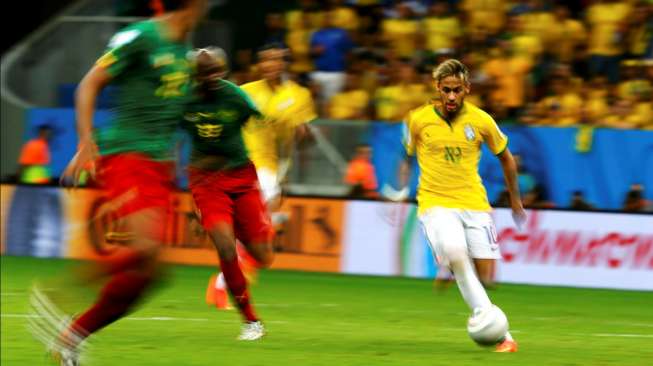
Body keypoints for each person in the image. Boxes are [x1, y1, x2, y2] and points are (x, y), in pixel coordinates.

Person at [29, 1, 208, 364]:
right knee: (145, 250)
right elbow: (88, 85)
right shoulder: (141, 36)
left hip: (158, 166)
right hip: (127, 154)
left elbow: (172, 113)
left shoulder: (183, 53)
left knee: (150, 273)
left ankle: (70, 338)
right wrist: (85, 142)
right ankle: (58, 294)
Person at [399, 59, 524, 352]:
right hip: (435, 202)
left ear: (467, 88)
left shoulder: (481, 120)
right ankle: (502, 335)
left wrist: (515, 199)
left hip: (474, 203)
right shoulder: (418, 119)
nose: (452, 96)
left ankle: (455, 268)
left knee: (488, 277)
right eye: (446, 90)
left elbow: (506, 158)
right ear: (438, 89)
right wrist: (400, 190)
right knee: (456, 252)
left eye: (457, 90)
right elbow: (405, 156)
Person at [205, 43, 317, 310]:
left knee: (256, 233)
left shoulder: (299, 95)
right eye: (266, 60)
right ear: (259, 64)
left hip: (271, 167)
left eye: (276, 60)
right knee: (258, 229)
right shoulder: (245, 92)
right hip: (244, 163)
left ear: (285, 63)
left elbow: (304, 141)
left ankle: (224, 283)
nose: (271, 65)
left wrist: (304, 135)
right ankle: (226, 282)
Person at [183, 47, 274, 340]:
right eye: (207, 73)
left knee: (263, 256)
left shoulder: (234, 95)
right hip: (206, 183)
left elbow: (262, 120)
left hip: (241, 178)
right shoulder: (183, 100)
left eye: (217, 71)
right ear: (195, 75)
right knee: (224, 246)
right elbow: (163, 129)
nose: (214, 77)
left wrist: (287, 133)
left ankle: (240, 225)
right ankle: (251, 321)